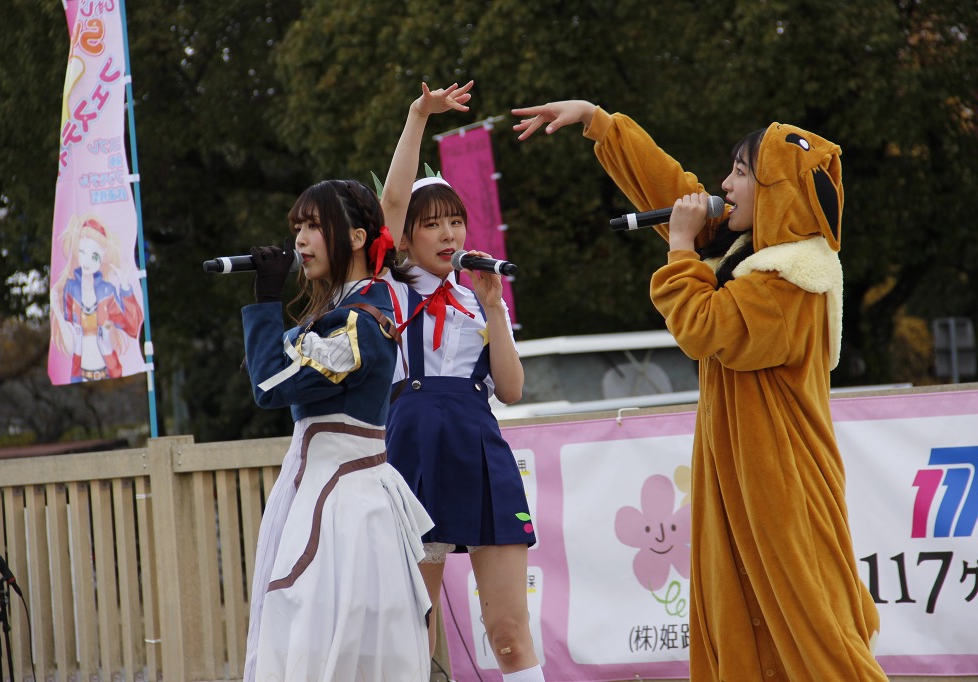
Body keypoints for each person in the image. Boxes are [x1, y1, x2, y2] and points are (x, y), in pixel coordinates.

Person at [512, 100, 886, 681]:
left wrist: (681, 250)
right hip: (744, 479)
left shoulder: (789, 284)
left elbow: (703, 327)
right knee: (747, 625)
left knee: (815, 634)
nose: (723, 186)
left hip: (782, 486)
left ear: (776, 191)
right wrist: (598, 123)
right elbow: (675, 191)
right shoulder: (750, 252)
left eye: (740, 172)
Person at [379, 81, 544, 682]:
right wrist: (418, 115)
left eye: (456, 221)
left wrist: (495, 307)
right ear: (407, 237)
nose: (449, 234)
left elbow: (512, 389)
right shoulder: (389, 290)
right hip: (412, 452)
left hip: (478, 448)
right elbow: (392, 201)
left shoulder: (478, 299)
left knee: (508, 633)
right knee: (413, 627)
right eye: (433, 224)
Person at [240, 178, 434, 681]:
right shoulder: (343, 315)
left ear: (355, 237)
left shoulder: (360, 323)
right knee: (322, 641)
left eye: (313, 226)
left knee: (330, 646)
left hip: (344, 509)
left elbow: (268, 385)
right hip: (331, 498)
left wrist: (266, 299)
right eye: (297, 228)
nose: (300, 240)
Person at [50, 213, 144, 382]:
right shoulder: (71, 290)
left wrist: (125, 288)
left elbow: (132, 327)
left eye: (94, 256)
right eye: (82, 253)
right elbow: (70, 345)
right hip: (80, 375)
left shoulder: (107, 292)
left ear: (103, 258)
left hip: (108, 371)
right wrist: (56, 309)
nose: (87, 261)